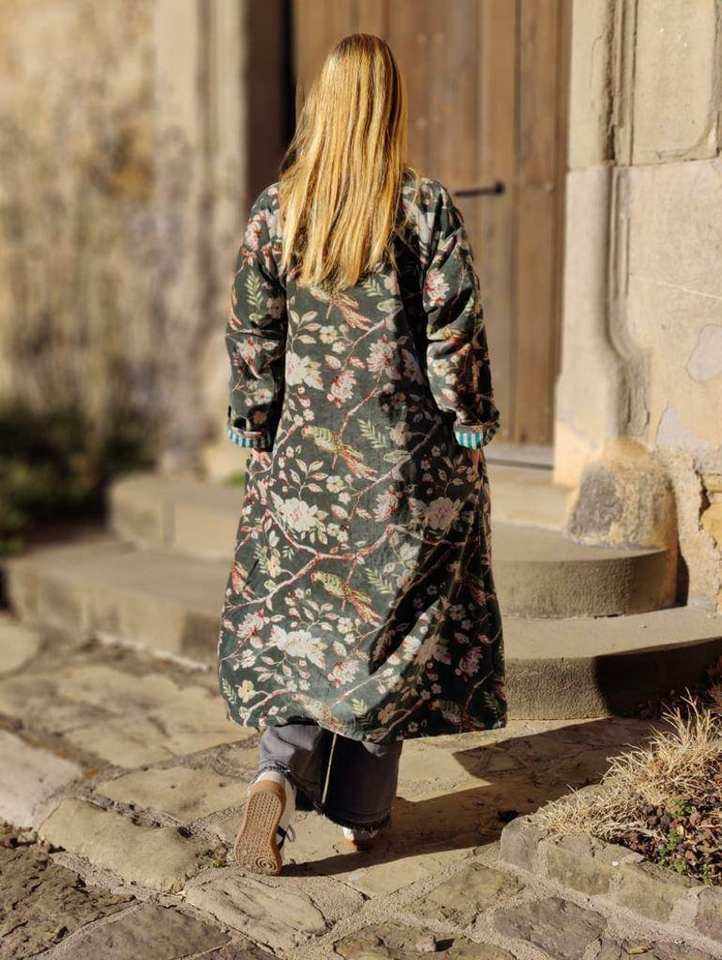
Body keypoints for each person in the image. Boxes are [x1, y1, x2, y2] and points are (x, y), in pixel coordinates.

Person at [217, 32, 506, 876]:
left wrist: (252, 414)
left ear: (323, 104)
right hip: (402, 468)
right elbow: (454, 324)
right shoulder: (420, 206)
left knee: (305, 622)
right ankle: (363, 815)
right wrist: (469, 412)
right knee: (390, 633)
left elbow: (252, 325)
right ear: (390, 107)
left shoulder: (279, 209)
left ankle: (274, 776)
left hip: (301, 466)